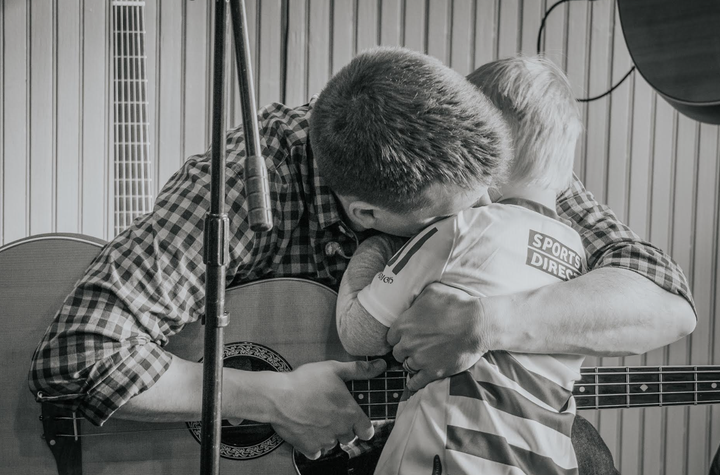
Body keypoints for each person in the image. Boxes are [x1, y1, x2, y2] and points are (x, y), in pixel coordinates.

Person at [27, 46, 695, 470]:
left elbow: (666, 301)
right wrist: (270, 395)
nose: (477, 225)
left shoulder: (484, 155)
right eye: (446, 222)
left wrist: (498, 320)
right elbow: (77, 352)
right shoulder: (249, 175)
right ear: (366, 213)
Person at [337, 56, 594, 475]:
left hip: (447, 458)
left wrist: (379, 245)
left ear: (486, 135)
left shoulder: (464, 228)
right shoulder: (576, 250)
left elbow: (359, 333)